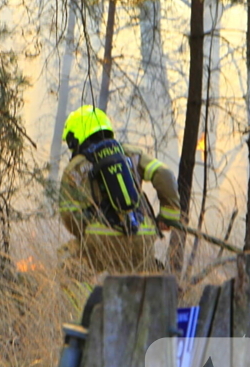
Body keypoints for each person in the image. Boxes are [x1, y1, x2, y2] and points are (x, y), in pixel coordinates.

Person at [58, 105, 181, 275]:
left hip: (101, 239)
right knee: (145, 278)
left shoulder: (75, 168)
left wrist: (89, 230)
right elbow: (164, 174)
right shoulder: (132, 154)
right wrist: (168, 216)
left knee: (69, 268)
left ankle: (86, 294)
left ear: (75, 137)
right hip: (142, 237)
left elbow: (68, 214)